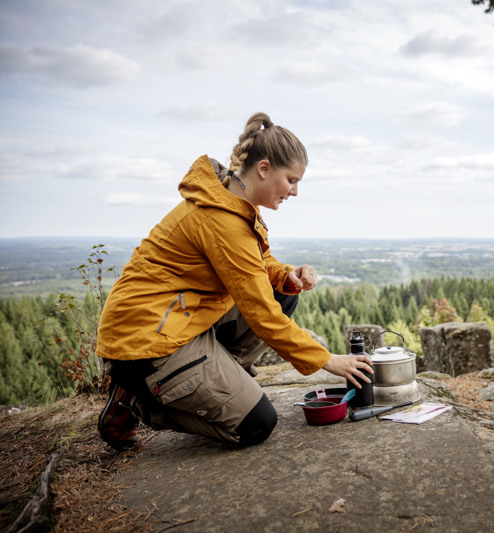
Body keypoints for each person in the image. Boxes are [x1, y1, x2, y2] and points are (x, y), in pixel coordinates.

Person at [96, 112, 373, 450]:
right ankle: (140, 401)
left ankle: (209, 382)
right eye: (292, 180)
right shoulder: (223, 220)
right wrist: (329, 361)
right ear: (265, 168)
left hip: (179, 317)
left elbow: (256, 264)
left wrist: (286, 275)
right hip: (145, 339)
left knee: (283, 295)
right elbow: (261, 315)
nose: (295, 192)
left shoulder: (234, 199)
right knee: (256, 424)